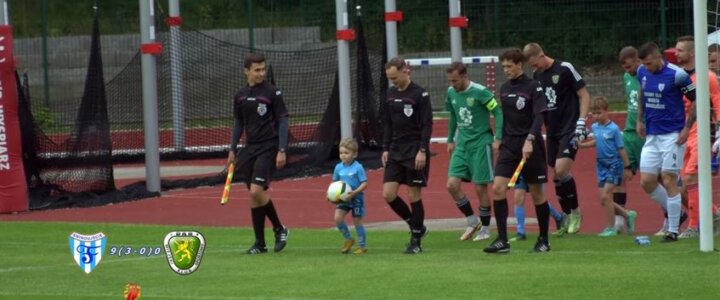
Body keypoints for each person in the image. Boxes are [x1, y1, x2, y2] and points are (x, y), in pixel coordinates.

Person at [484, 48, 551, 253]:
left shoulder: (534, 86)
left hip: (531, 145)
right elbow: (505, 118)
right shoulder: (504, 89)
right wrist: (499, 138)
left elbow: (539, 116)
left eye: (509, 66)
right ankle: (502, 240)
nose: (506, 70)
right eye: (503, 66)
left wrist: (530, 139)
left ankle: (543, 240)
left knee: (537, 193)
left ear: (520, 65)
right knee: (497, 188)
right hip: (509, 145)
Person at [523, 42, 591, 236]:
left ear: (541, 55)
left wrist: (581, 122)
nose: (533, 68)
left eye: (534, 64)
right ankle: (566, 214)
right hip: (551, 130)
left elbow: (584, 95)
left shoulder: (564, 68)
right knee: (557, 174)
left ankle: (576, 213)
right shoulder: (537, 76)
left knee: (561, 169)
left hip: (569, 128)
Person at [228, 53, 290, 254]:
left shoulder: (273, 92)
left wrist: (282, 149)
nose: (261, 73)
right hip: (250, 149)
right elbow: (238, 123)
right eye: (257, 70)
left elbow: (283, 121)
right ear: (246, 71)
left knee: (256, 191)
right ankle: (260, 243)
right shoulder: (240, 95)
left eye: (263, 69)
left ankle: (280, 229)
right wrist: (232, 148)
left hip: (268, 147)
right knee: (254, 196)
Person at [636, 41, 696, 242]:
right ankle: (677, 214)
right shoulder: (642, 72)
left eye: (649, 63)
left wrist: (687, 128)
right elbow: (643, 94)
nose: (647, 68)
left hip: (672, 135)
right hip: (652, 135)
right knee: (646, 182)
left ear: (658, 57)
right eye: (644, 64)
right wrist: (639, 120)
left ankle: (672, 230)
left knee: (668, 178)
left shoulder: (677, 75)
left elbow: (696, 99)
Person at [444, 62, 502, 242]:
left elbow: (498, 112)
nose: (453, 84)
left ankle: (485, 228)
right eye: (450, 81)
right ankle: (472, 220)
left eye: (455, 80)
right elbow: (453, 115)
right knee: (451, 185)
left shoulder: (481, 91)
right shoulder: (451, 92)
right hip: (462, 144)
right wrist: (450, 139)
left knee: (480, 187)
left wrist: (498, 137)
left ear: (464, 76)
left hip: (480, 143)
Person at [382, 57, 432, 254]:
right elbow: (387, 123)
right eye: (389, 78)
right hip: (395, 149)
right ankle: (416, 225)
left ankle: (416, 242)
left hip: (414, 150)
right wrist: (385, 147)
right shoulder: (390, 93)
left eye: (395, 77)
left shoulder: (420, 94)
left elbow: (427, 124)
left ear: (406, 71)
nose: (393, 81)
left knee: (413, 195)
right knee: (388, 194)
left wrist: (422, 150)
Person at [673, 36, 720, 238]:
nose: (676, 54)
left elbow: (717, 104)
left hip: (702, 132)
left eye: (680, 50)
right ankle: (714, 214)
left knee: (691, 178)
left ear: (692, 53)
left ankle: (693, 226)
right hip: (680, 134)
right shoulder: (677, 76)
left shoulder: (707, 77)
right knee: (681, 186)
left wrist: (718, 132)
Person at [578, 97, 638, 236]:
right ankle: (628, 215)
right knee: (604, 200)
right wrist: (582, 146)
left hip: (614, 165)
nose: (596, 116)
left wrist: (627, 166)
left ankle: (611, 227)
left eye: (599, 113)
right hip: (601, 165)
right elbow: (596, 142)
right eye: (594, 113)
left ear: (606, 111)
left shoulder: (614, 129)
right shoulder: (595, 127)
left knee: (606, 196)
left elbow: (621, 149)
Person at [616, 46, 646, 233]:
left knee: (656, 177)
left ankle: (671, 219)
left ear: (638, 61)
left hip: (646, 134)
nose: (628, 71)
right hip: (628, 132)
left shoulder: (646, 76)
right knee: (621, 174)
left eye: (630, 66)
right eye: (625, 68)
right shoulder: (627, 78)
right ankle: (620, 220)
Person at [332, 138, 369, 254]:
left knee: (357, 222)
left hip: (356, 199)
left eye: (346, 153)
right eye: (341, 153)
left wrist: (354, 192)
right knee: (337, 218)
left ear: (355, 154)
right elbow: (335, 183)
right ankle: (348, 239)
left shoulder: (358, 167)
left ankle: (362, 246)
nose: (343, 156)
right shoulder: (338, 167)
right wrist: (331, 195)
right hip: (344, 199)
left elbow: (364, 183)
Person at [510, 176, 564, 242]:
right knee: (518, 199)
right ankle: (520, 233)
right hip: (520, 171)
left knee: (539, 200)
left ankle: (558, 217)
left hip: (536, 171)